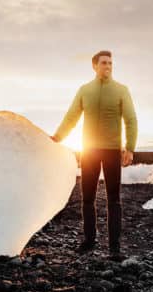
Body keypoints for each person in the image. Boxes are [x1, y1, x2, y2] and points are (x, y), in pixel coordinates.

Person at [51, 50, 137, 258]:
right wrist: (57, 138)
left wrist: (130, 147)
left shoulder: (121, 90)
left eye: (110, 63)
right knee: (87, 197)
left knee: (113, 199)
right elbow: (71, 117)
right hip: (88, 150)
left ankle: (114, 247)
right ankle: (89, 241)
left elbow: (131, 120)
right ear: (94, 66)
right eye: (104, 63)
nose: (108, 66)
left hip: (111, 150)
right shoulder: (84, 90)